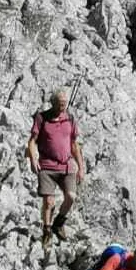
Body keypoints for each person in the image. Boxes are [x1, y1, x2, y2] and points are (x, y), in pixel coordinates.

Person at [27, 88, 84, 246]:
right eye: (59, 104)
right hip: (47, 166)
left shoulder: (70, 119)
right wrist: (33, 159)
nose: (62, 107)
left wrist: (81, 166)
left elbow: (74, 145)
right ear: (52, 103)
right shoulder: (42, 118)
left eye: (64, 104)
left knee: (71, 197)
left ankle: (59, 223)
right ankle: (46, 231)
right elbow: (32, 141)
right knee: (49, 202)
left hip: (66, 166)